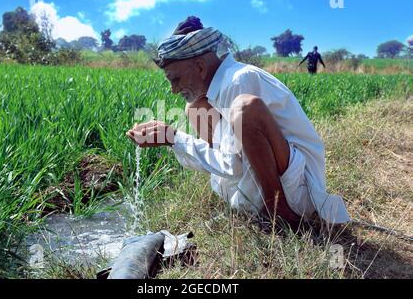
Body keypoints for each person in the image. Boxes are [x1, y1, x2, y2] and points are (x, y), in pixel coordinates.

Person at [126, 16, 349, 227]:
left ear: (201, 67)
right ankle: (248, 203)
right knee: (194, 106)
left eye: (175, 79)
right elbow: (227, 162)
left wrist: (173, 137)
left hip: (298, 188)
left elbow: (233, 165)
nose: (174, 90)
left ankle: (278, 210)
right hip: (268, 175)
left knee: (245, 108)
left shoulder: (238, 80)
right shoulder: (216, 89)